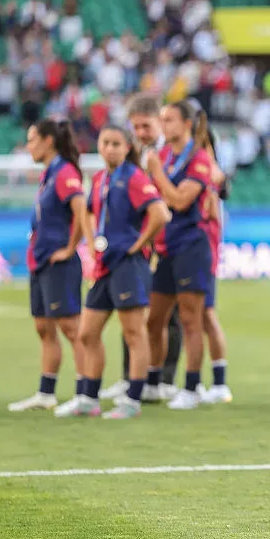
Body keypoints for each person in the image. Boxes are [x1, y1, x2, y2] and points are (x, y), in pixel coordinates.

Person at [55, 125, 170, 419]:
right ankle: (89, 399)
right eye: (105, 143)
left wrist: (138, 246)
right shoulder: (99, 178)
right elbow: (90, 213)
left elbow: (160, 213)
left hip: (129, 266)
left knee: (134, 333)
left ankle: (132, 401)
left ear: (127, 148)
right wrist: (92, 242)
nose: (109, 148)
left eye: (116, 143)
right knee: (87, 333)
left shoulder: (133, 177)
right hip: (106, 265)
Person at [99, 94, 182, 404]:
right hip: (143, 249)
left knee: (167, 317)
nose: (141, 132)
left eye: (146, 126)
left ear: (159, 122)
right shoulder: (134, 156)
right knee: (130, 313)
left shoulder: (171, 154)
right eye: (136, 127)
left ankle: (163, 378)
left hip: (169, 244)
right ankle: (130, 378)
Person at [9, 119, 90, 412]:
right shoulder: (49, 174)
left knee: (71, 328)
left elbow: (81, 208)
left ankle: (85, 392)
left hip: (59, 263)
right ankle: (46, 393)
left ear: (48, 141)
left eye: (32, 140)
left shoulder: (65, 172)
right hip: (40, 261)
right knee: (44, 327)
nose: (28, 146)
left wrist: (71, 248)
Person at [147, 101, 215, 411]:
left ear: (186, 123)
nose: (164, 125)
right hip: (164, 247)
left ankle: (191, 387)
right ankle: (154, 381)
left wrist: (157, 174)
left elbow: (179, 200)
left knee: (191, 319)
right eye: (161, 119)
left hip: (191, 245)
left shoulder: (198, 159)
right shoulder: (163, 156)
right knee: (154, 319)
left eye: (169, 119)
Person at [194, 114, 232, 405]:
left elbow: (217, 182)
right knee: (199, 314)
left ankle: (219, 382)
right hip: (199, 244)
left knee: (205, 313)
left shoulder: (204, 162)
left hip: (202, 244)